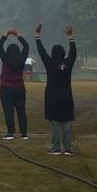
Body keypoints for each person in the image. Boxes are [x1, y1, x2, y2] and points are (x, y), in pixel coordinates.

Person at [35, 24, 76, 155]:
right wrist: (70, 37)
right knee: (67, 122)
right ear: (63, 53)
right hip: (66, 95)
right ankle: (68, 148)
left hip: (52, 95)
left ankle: (56, 147)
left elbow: (42, 52)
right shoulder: (68, 63)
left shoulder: (50, 62)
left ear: (52, 53)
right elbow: (73, 53)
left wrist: (37, 36)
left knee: (55, 122)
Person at [0, 28, 30, 140]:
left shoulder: (5, 59)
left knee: (8, 111)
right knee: (21, 111)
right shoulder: (21, 59)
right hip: (19, 88)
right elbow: (26, 46)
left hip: (6, 88)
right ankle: (24, 134)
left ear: (7, 51)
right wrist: (18, 35)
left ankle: (10, 133)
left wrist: (6, 34)